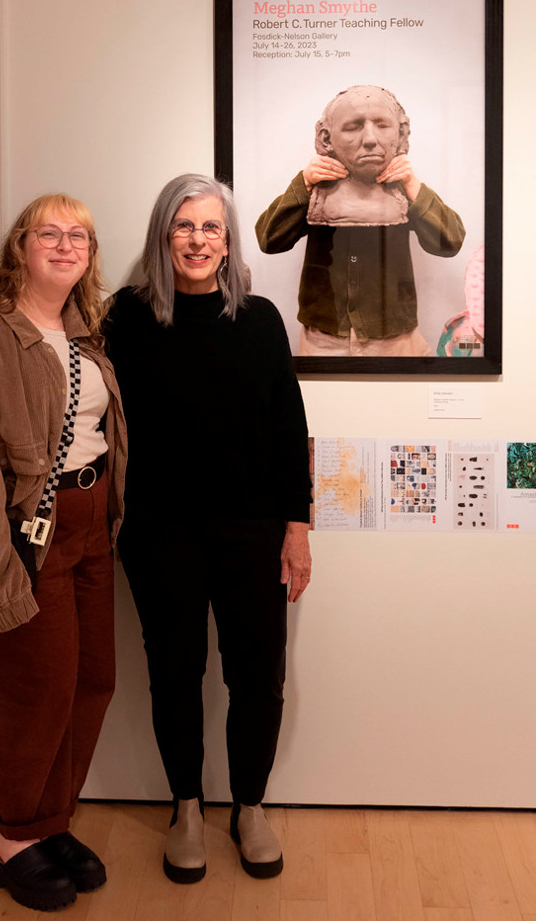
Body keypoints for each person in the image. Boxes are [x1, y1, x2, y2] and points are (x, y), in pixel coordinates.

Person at [105, 174, 312, 883]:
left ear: (228, 241)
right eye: (184, 226)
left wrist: (298, 525)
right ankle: (186, 807)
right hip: (159, 529)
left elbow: (289, 429)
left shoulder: (257, 320)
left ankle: (249, 805)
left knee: (258, 674)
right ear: (164, 236)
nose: (197, 240)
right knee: (175, 671)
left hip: (251, 527)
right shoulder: (124, 318)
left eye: (211, 228)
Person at [0, 194, 127, 912]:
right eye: (50, 231)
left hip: (91, 531)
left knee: (89, 683)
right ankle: (12, 839)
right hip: (24, 538)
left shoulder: (83, 334)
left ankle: (50, 824)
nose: (66, 243)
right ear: (20, 246)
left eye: (80, 233)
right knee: (32, 689)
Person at [256, 84, 466, 357]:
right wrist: (304, 184)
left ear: (401, 133)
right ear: (326, 138)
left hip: (395, 339)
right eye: (353, 126)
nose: (370, 139)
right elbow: (269, 239)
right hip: (324, 339)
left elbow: (450, 242)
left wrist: (414, 187)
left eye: (382, 125)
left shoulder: (402, 187)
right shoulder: (317, 188)